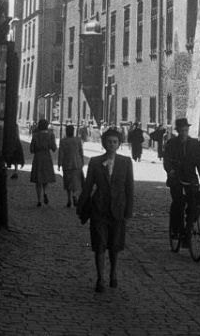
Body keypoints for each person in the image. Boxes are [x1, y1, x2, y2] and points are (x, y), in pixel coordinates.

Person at [77, 127, 134, 293]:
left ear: (119, 144)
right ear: (104, 143)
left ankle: (113, 272)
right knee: (99, 244)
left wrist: (128, 211)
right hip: (99, 210)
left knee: (115, 245)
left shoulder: (125, 162)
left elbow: (129, 188)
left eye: (115, 142)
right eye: (109, 142)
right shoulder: (95, 162)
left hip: (118, 210)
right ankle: (100, 278)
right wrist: (81, 206)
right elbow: (88, 187)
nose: (111, 144)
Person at [163, 118, 200, 242]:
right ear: (178, 131)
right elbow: (166, 160)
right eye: (182, 130)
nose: (184, 133)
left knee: (195, 203)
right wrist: (170, 170)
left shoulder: (195, 144)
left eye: (186, 130)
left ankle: (190, 224)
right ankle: (176, 228)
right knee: (178, 202)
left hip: (190, 177)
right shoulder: (171, 143)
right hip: (176, 177)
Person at [30, 118, 57, 206]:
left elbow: (31, 150)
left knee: (38, 180)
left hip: (38, 158)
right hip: (47, 157)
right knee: (45, 177)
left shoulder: (35, 135)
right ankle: (45, 192)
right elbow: (54, 148)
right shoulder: (51, 135)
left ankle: (39, 200)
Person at [58, 124, 84, 207]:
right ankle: (75, 195)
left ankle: (69, 199)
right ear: (73, 131)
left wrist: (59, 164)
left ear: (66, 132)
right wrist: (82, 162)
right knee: (76, 182)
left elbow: (61, 153)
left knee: (67, 181)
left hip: (67, 164)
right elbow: (81, 152)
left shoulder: (63, 141)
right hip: (77, 164)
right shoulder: (78, 140)